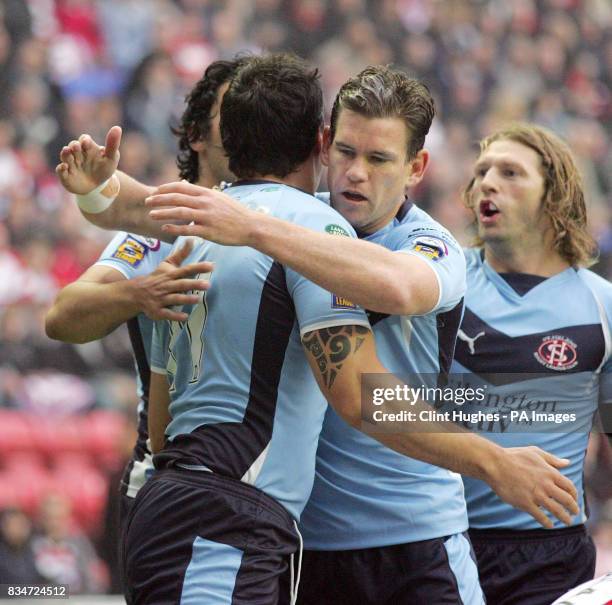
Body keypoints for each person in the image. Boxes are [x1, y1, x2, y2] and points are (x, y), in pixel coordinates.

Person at [135, 66, 577, 604]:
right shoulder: (298, 216)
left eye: (379, 159)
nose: (356, 174)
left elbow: (395, 286)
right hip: (302, 544)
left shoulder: (427, 244)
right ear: (322, 146)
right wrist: (96, 193)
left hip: (415, 539)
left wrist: (257, 229)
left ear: (416, 167)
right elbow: (144, 210)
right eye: (345, 152)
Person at [46, 59, 246, 526]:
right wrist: (139, 293)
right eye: (233, 113)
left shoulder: (285, 223)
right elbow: (61, 316)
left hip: (261, 493)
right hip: (166, 485)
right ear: (197, 135)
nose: (250, 126)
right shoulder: (156, 234)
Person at [451, 123, 612, 605]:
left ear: (555, 196)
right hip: (442, 541)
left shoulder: (602, 306)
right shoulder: (441, 281)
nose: (487, 183)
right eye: (481, 172)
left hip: (552, 556)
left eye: (510, 172)